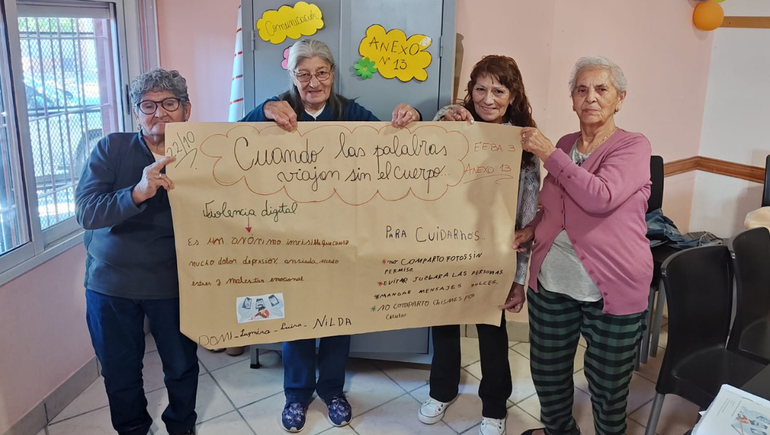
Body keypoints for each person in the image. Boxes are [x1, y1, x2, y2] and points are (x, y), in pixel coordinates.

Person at [240, 38, 421, 433]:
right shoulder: (277, 110)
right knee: (298, 320)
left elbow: (394, 141)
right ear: (292, 77)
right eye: (303, 74)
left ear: (333, 75)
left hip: (342, 240)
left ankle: (333, 390)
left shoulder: (349, 112)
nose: (313, 82)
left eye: (321, 73)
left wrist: (413, 113)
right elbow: (234, 143)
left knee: (340, 316)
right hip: (292, 239)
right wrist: (263, 110)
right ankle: (296, 394)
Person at [517, 56, 653, 435]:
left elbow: (600, 197)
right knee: (548, 372)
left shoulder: (633, 146)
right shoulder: (564, 144)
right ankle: (559, 430)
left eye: (601, 89)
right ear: (573, 101)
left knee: (607, 386)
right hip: (553, 282)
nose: (590, 97)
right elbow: (554, 206)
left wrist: (548, 154)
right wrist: (531, 229)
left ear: (620, 98)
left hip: (614, 285)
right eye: (581, 90)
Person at [417, 55, 540, 435]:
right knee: (443, 323)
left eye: (499, 90)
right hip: (446, 248)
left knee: (492, 330)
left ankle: (494, 405)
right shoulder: (454, 124)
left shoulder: (524, 145)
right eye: (480, 89)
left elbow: (528, 216)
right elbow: (427, 147)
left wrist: (520, 277)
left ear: (513, 95)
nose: (488, 99)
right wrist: (447, 115)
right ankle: (442, 390)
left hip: (495, 255)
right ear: (470, 90)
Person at [75, 68, 198, 435]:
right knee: (119, 369)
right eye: (148, 105)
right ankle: (131, 429)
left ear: (186, 110)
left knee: (181, 366)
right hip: (111, 285)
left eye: (169, 103)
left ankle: (181, 426)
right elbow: (87, 211)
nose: (158, 112)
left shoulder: (203, 152)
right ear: (135, 112)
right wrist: (137, 192)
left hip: (174, 284)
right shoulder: (110, 148)